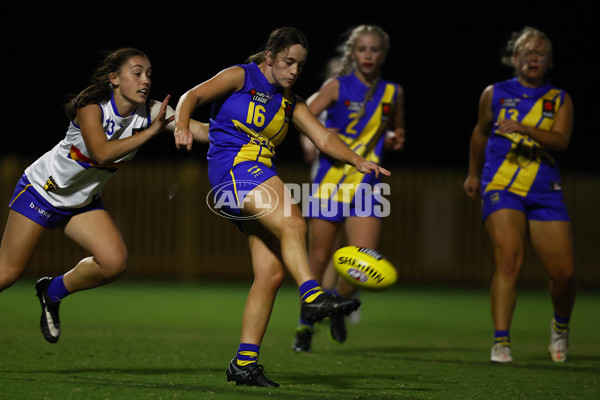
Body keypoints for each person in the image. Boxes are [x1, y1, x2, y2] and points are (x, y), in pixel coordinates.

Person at [174, 27, 390, 388]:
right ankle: (313, 297)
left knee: (271, 274)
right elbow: (191, 96)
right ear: (270, 56)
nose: (293, 71)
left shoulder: (291, 100)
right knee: (294, 221)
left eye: (300, 66)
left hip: (256, 175)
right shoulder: (241, 76)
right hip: (235, 169)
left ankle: (244, 363)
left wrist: (357, 160)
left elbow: (322, 137)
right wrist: (181, 124)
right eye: (288, 62)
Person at [0, 48, 208, 344]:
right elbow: (101, 152)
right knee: (7, 274)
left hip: (81, 202)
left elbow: (198, 129)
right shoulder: (92, 107)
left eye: (148, 74)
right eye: (137, 73)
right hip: (41, 191)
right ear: (114, 78)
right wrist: (151, 133)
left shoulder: (151, 112)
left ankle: (51, 292)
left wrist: (243, 134)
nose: (145, 80)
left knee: (113, 262)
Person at [463, 27, 575, 363]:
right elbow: (480, 133)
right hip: (501, 186)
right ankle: (501, 342)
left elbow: (561, 141)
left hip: (544, 190)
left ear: (548, 61)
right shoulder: (494, 93)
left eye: (541, 52)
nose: (534, 57)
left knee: (564, 274)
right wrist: (472, 172)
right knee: (509, 259)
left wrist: (524, 127)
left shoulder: (559, 100)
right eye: (527, 52)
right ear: (515, 59)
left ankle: (560, 327)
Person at [292, 24, 405, 353]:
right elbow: (299, 114)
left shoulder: (393, 92)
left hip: (369, 186)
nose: (368, 55)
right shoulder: (336, 86)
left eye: (374, 50)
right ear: (352, 54)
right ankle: (304, 326)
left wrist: (396, 138)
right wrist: (307, 139)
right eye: (362, 49)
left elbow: (397, 128)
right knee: (318, 261)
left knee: (362, 265)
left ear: (382, 55)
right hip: (330, 182)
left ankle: (339, 303)